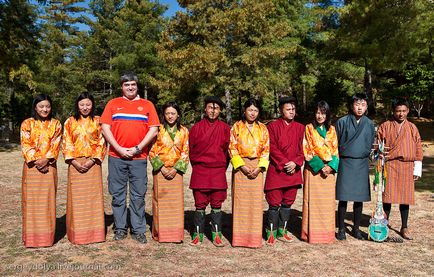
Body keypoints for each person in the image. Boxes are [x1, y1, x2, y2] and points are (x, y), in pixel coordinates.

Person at [101, 72, 160, 244]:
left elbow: (153, 130)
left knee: (138, 196)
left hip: (139, 158)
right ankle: (120, 228)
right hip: (116, 157)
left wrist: (137, 148)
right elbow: (105, 128)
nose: (130, 87)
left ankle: (138, 229)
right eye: (127, 85)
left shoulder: (147, 105)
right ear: (122, 87)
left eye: (133, 84)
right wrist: (119, 149)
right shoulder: (113, 104)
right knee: (118, 195)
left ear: (137, 86)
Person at [62, 92, 107, 245]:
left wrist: (91, 161)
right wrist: (74, 162)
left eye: (88, 104)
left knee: (93, 198)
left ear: (92, 104)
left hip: (93, 164)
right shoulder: (69, 121)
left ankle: (95, 234)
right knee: (77, 199)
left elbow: (102, 142)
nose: (85, 107)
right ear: (77, 105)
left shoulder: (99, 121)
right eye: (82, 104)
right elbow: (66, 142)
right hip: (74, 164)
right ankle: (77, 234)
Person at [376, 98, 423, 240]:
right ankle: (384, 224)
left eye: (403, 111)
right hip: (390, 166)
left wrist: (417, 168)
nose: (401, 114)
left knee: (405, 198)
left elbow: (418, 147)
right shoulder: (385, 126)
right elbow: (378, 145)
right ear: (393, 111)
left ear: (408, 111)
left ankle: (404, 227)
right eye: (398, 111)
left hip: (407, 166)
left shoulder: (412, 128)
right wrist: (380, 156)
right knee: (387, 197)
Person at [20, 94, 62, 247]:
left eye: (48, 106)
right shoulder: (27, 124)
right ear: (35, 108)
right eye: (41, 106)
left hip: (49, 167)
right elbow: (25, 144)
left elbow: (56, 144)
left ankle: (47, 238)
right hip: (31, 167)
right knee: (31, 202)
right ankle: (31, 238)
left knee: (47, 201)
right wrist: (38, 161)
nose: (45, 109)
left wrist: (46, 160)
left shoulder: (56, 124)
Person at [189, 96, 230, 246]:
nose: (213, 111)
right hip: (200, 170)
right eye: (210, 108)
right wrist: (200, 166)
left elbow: (227, 152)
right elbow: (191, 152)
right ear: (205, 109)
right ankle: (198, 233)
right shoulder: (196, 128)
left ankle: (216, 234)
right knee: (200, 204)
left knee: (217, 204)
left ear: (220, 111)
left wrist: (220, 167)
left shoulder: (225, 129)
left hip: (218, 170)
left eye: (216, 108)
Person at [229, 98, 270, 248]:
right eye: (250, 110)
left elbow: (266, 150)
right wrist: (242, 166)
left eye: (255, 110)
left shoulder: (263, 128)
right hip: (241, 168)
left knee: (255, 203)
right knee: (241, 203)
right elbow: (232, 148)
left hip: (257, 167)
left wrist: (259, 168)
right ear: (244, 111)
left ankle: (254, 238)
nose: (252, 113)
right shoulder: (237, 127)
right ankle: (239, 238)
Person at [264, 96, 305, 245]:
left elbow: (304, 148)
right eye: (288, 109)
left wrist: (296, 162)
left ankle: (283, 230)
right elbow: (271, 148)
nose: (291, 112)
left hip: (293, 171)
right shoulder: (272, 127)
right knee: (274, 203)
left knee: (288, 203)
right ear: (281, 111)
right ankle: (271, 231)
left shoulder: (301, 128)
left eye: (293, 109)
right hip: (277, 170)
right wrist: (284, 162)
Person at [335, 93, 375, 240]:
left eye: (363, 105)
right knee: (343, 197)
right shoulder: (342, 122)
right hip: (346, 162)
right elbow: (335, 143)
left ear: (366, 107)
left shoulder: (370, 124)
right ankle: (341, 229)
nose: (360, 108)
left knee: (359, 198)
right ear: (352, 106)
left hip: (362, 163)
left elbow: (371, 143)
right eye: (357, 104)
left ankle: (356, 229)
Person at [149, 102, 189, 243]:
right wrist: (162, 168)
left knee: (175, 203)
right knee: (160, 201)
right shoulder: (157, 130)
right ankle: (160, 233)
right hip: (160, 170)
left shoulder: (184, 131)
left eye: (173, 113)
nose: (170, 116)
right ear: (163, 115)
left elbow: (185, 151)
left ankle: (175, 234)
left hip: (176, 171)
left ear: (178, 115)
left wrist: (176, 169)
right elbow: (152, 151)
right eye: (167, 113)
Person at [301, 101, 339, 244]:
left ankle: (327, 233)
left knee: (327, 203)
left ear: (327, 114)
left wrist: (330, 166)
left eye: (323, 113)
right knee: (312, 201)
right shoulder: (309, 128)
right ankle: (310, 233)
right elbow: (307, 149)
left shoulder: (332, 130)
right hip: (314, 170)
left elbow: (335, 150)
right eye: (317, 112)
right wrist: (319, 166)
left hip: (329, 171)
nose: (320, 116)